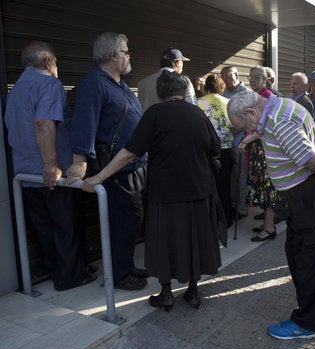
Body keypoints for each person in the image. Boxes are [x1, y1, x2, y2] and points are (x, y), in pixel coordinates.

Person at [82, 71, 223, 310]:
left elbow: (128, 153)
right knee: (194, 239)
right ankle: (193, 292)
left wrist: (99, 176)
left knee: (165, 240)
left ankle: (166, 294)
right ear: (182, 91)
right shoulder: (198, 113)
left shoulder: (155, 114)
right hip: (199, 190)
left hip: (164, 192)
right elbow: (215, 150)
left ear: (160, 93)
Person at [227, 90, 315, 340]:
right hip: (304, 197)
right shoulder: (280, 106)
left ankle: (306, 323)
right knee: (300, 255)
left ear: (252, 112)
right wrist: (255, 134)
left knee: (309, 260)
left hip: (312, 195)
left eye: (244, 126)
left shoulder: (278, 121)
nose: (245, 131)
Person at [4, 41, 96, 291]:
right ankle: (71, 278)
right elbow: (44, 122)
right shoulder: (49, 83)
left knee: (44, 227)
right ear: (47, 62)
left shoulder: (15, 90)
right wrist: (51, 164)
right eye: (55, 62)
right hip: (51, 174)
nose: (57, 67)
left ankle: (59, 273)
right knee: (66, 225)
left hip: (24, 172)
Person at [65, 32, 148, 290]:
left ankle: (127, 266)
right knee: (124, 221)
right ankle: (121, 275)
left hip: (134, 165)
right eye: (125, 51)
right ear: (113, 55)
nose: (128, 55)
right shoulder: (94, 82)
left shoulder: (119, 83)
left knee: (131, 220)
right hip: (116, 167)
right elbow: (84, 122)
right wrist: (79, 161)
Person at [243, 65, 277, 241]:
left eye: (257, 77)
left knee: (266, 188)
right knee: (261, 187)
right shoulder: (254, 97)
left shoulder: (268, 97)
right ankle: (267, 224)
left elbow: (262, 127)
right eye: (250, 77)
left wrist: (244, 141)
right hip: (257, 150)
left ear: (266, 80)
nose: (253, 80)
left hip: (265, 150)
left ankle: (270, 227)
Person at [198, 74, 233, 227]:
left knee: (208, 184)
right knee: (224, 184)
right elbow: (234, 125)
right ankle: (227, 219)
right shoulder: (228, 102)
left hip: (206, 150)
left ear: (206, 86)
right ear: (221, 86)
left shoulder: (198, 103)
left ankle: (210, 218)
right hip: (226, 148)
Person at [220, 65, 250, 219]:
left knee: (240, 177)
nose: (226, 78)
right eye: (223, 76)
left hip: (240, 142)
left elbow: (247, 120)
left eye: (228, 75)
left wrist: (231, 132)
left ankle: (242, 209)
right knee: (231, 177)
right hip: (227, 143)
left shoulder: (245, 93)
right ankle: (232, 205)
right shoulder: (225, 93)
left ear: (237, 74)